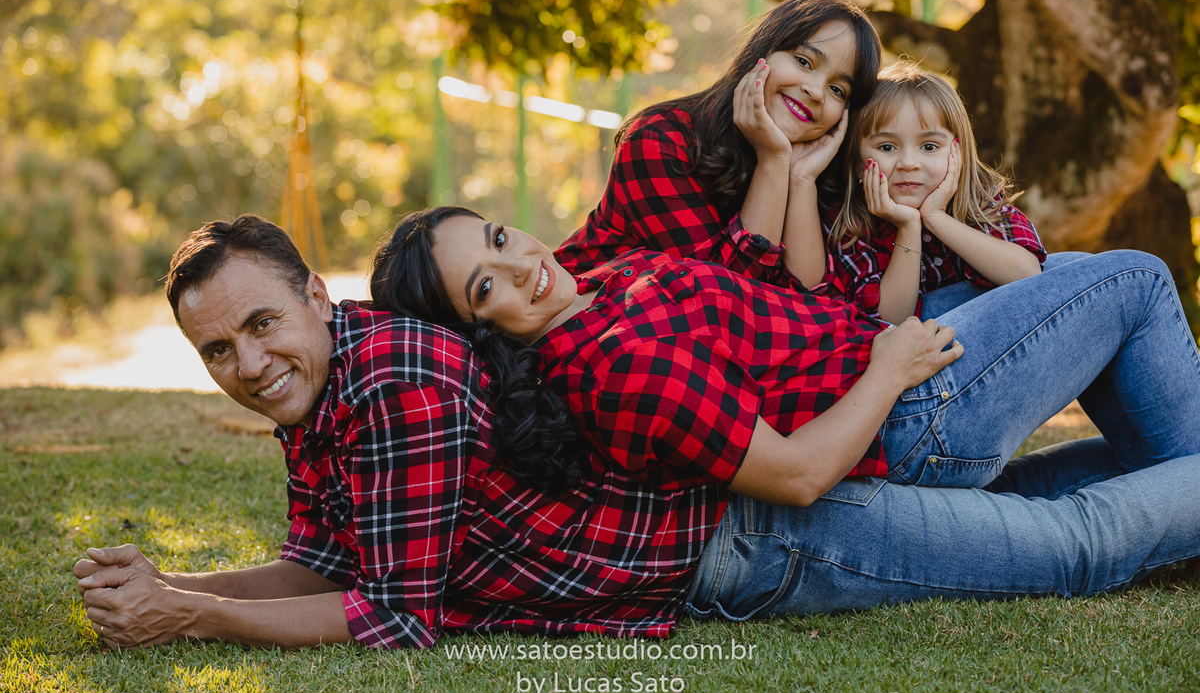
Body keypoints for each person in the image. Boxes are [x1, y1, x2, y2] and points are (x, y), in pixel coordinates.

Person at [75, 215, 1200, 651]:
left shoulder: (393, 378)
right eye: (218, 351)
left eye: (262, 325)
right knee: (1055, 511)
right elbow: (345, 574)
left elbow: (386, 605)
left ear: (318, 300)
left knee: (1074, 529)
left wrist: (193, 607)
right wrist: (186, 587)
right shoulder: (329, 388)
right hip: (749, 529)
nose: (248, 363)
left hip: (752, 528)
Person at [372, 207, 1200, 501]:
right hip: (905, 416)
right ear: (480, 330)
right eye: (488, 287)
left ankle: (1175, 491)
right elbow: (798, 476)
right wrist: (888, 369)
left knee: (1085, 274)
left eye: (498, 237)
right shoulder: (620, 365)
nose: (522, 262)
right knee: (1133, 279)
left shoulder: (594, 282)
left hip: (877, 350)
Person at [556, 0, 881, 289]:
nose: (816, 91)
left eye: (838, 90)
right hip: (555, 330)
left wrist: (800, 180)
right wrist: (773, 160)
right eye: (803, 61)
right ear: (762, 52)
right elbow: (725, 300)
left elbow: (815, 299)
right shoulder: (660, 139)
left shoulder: (824, 173)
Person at [821, 61, 1046, 323]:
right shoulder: (850, 222)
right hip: (918, 345)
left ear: (957, 153)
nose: (908, 163)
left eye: (928, 147)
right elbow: (889, 321)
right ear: (858, 163)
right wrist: (909, 226)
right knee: (1096, 271)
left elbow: (1029, 275)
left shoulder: (976, 195)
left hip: (996, 327)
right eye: (886, 147)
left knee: (1071, 263)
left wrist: (937, 217)